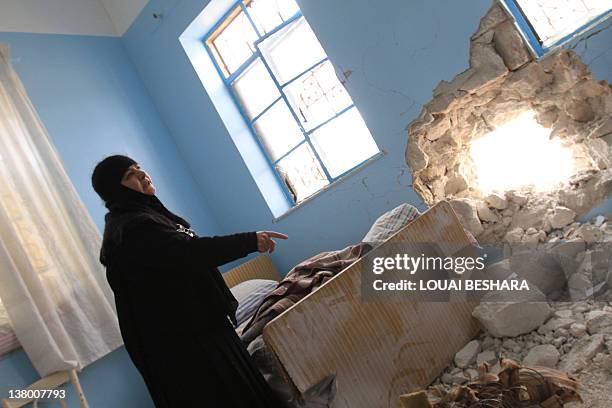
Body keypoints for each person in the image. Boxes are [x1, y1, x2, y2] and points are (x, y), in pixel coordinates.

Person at [91, 154, 288, 407]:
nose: (141, 174)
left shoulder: (147, 217)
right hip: (185, 347)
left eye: (139, 168)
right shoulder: (132, 229)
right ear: (115, 190)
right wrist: (250, 241)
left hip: (202, 329)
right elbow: (190, 254)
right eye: (130, 174)